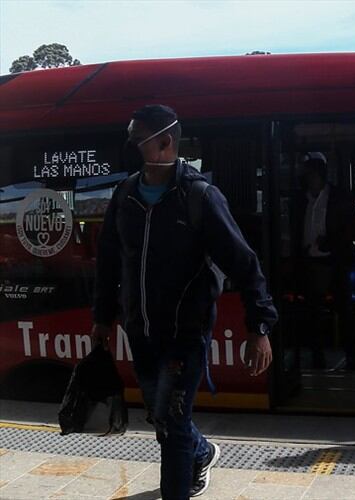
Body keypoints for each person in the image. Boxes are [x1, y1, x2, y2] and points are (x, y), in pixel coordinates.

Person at [92, 104, 278, 499]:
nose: (129, 146)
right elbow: (109, 262)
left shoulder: (199, 197)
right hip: (140, 333)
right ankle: (203, 451)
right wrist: (103, 318)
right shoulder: (125, 196)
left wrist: (259, 327)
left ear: (165, 142)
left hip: (184, 336)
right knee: (161, 417)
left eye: (136, 139)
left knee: (173, 423)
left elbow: (244, 263)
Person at [291, 156, 355, 371]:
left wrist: (332, 242)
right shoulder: (301, 200)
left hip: (335, 260)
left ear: (320, 176)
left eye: (311, 176)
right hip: (310, 261)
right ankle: (317, 357)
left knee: (345, 311)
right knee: (312, 313)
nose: (308, 180)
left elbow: (354, 226)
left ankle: (352, 357)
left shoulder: (338, 197)